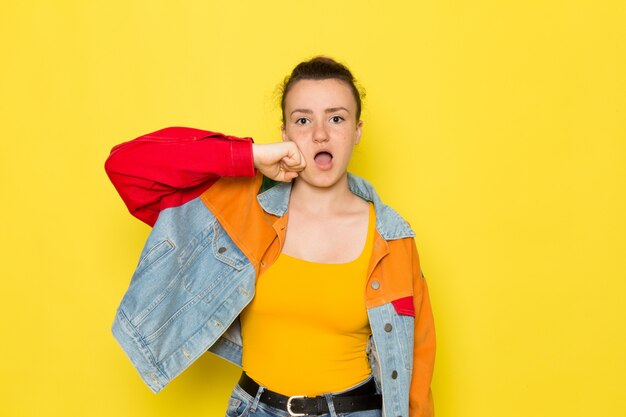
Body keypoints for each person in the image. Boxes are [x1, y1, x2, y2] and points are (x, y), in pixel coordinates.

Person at [105, 56, 435, 417]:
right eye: (303, 120)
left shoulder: (392, 240)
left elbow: (416, 369)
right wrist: (249, 156)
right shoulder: (239, 208)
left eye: (336, 118)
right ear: (285, 134)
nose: (320, 133)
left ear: (357, 131)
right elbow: (127, 168)